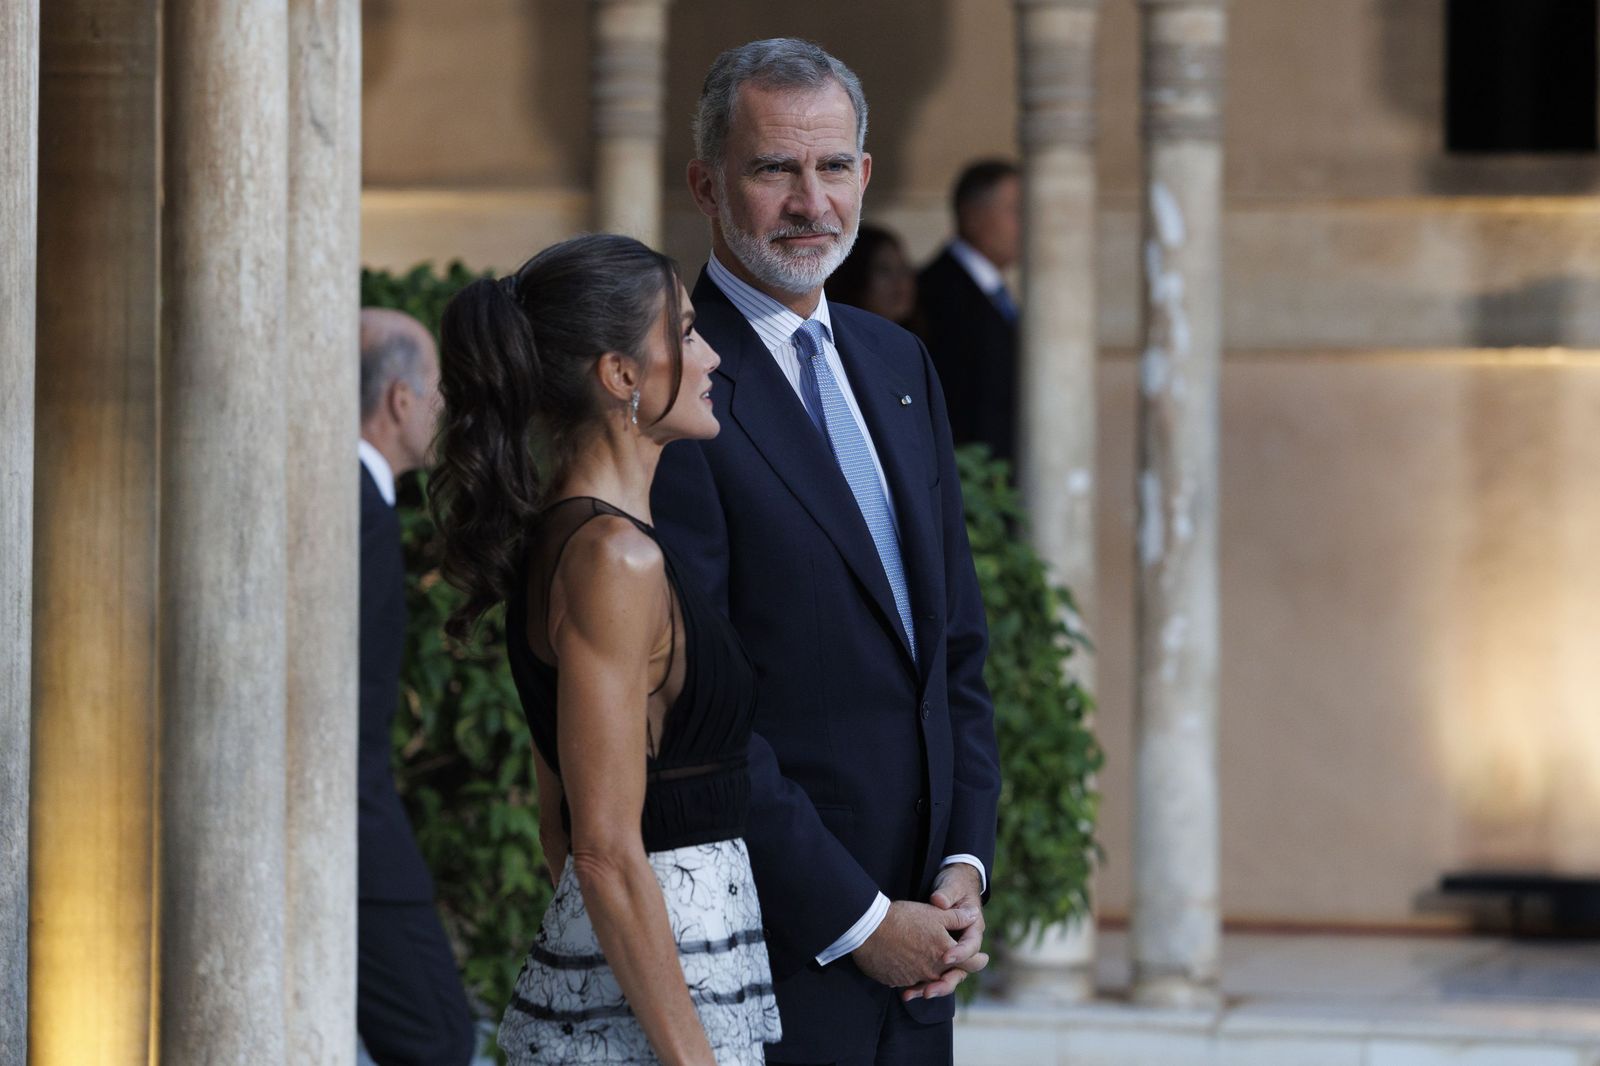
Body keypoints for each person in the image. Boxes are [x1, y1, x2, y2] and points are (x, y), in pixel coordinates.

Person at [651, 38, 1002, 1066]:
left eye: (833, 166)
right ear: (706, 185)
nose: (812, 201)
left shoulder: (899, 361)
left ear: (866, 175)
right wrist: (858, 920)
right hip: (783, 951)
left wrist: (963, 866)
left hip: (927, 948)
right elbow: (693, 713)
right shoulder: (675, 386)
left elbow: (954, 653)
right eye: (775, 169)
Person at [428, 234, 782, 1065]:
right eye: (688, 333)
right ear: (622, 376)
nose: (711, 357)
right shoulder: (614, 559)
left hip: (656, 978)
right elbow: (600, 847)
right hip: (663, 1001)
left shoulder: (575, 541)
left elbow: (563, 828)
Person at [356, 308, 475, 1066]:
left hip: (343, 834)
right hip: (353, 839)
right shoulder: (357, 510)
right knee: (438, 1036)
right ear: (400, 400)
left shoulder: (357, 501)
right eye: (435, 394)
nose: (440, 413)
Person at [915, 159, 1022, 465]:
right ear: (973, 216)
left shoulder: (996, 293)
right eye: (1015, 210)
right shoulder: (938, 291)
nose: (1027, 223)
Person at [823, 223, 918, 329]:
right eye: (884, 270)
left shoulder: (912, 340)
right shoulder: (836, 339)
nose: (900, 281)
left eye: (903, 269)